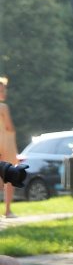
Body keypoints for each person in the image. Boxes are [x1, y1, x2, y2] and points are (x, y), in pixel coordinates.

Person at [0, 76, 16, 219]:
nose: (4, 93)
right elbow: (9, 126)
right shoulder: (3, 107)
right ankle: (8, 210)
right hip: (5, 142)